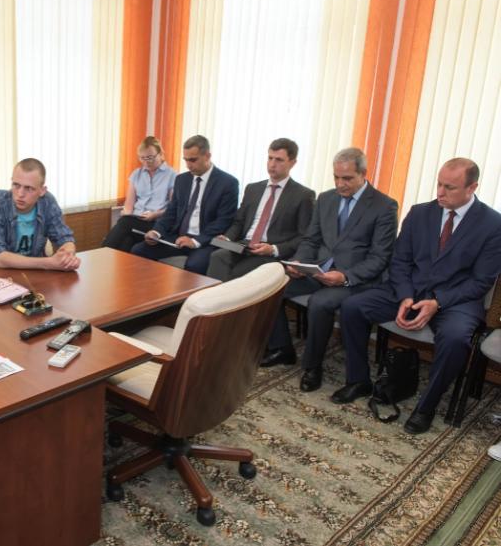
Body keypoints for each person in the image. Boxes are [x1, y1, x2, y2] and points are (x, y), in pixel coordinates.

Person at [338, 158, 501, 434]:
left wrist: (438, 302)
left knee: (455, 339)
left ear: (472, 187)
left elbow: (481, 281)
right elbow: (400, 261)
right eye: (439, 184)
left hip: (455, 302)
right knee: (353, 306)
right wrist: (405, 296)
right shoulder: (419, 213)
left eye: (450, 187)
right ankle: (358, 380)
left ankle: (426, 407)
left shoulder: (493, 224)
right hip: (409, 290)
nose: (440, 192)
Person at [262, 147, 398, 394]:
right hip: (319, 270)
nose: (340, 184)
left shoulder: (384, 206)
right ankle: (282, 348)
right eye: (336, 177)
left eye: (347, 178)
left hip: (355, 279)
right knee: (272, 287)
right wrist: (300, 261)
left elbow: (380, 258)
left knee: (320, 303)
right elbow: (311, 239)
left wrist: (345, 277)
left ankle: (312, 367)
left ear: (363, 174)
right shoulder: (326, 199)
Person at [206, 138, 315, 281]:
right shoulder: (253, 188)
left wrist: (274, 249)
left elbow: (303, 236)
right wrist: (227, 238)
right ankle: (214, 295)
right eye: (270, 158)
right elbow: (239, 222)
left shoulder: (303, 195)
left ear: (292, 163)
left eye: (279, 160)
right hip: (244, 246)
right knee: (217, 256)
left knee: (238, 272)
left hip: (269, 252)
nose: (272, 164)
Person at [130, 135, 238, 275]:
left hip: (204, 240)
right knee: (138, 250)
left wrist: (195, 241)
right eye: (185, 160)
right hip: (178, 237)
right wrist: (156, 232)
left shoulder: (227, 183)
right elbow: (171, 212)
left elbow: (223, 221)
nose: (188, 165)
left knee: (194, 265)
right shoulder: (182, 179)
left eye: (193, 160)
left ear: (207, 156)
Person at [0, 158, 80, 270]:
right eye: (16, 185)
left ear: (42, 191)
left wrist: (68, 256)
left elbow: (64, 238)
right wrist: (49, 263)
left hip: (32, 272)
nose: (20, 194)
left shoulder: (47, 201)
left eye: (29, 188)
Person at [103, 136, 177, 252]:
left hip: (157, 224)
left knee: (125, 222)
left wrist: (155, 214)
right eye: (142, 158)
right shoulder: (136, 174)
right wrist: (127, 213)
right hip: (136, 220)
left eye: (150, 157)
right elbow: (129, 206)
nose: (146, 162)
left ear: (160, 154)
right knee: (126, 242)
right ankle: (108, 259)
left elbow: (174, 208)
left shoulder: (172, 175)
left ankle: (102, 252)